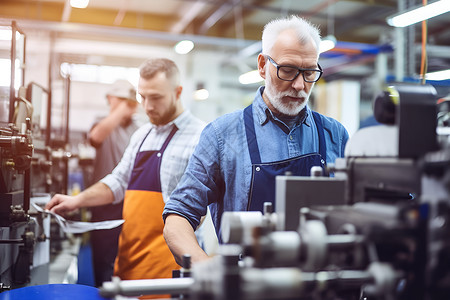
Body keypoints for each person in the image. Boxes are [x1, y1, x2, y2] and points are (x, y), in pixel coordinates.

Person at [163, 15, 349, 266]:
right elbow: (179, 215)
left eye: (309, 73)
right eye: (288, 70)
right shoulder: (222, 135)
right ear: (262, 65)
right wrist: (204, 267)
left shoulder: (334, 134)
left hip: (322, 284)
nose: (299, 85)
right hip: (249, 285)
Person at [46, 58, 205, 286]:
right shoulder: (142, 135)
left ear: (178, 92)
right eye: (143, 96)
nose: (147, 106)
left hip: (171, 269)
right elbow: (119, 181)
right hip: (130, 265)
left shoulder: (201, 136)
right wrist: (77, 200)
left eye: (156, 97)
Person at [87, 79, 141, 287]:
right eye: (125, 101)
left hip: (130, 203)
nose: (130, 106)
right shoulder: (102, 122)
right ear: (110, 100)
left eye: (132, 102)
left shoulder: (140, 128)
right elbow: (96, 137)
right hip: (103, 204)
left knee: (127, 257)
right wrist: (118, 109)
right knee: (102, 259)